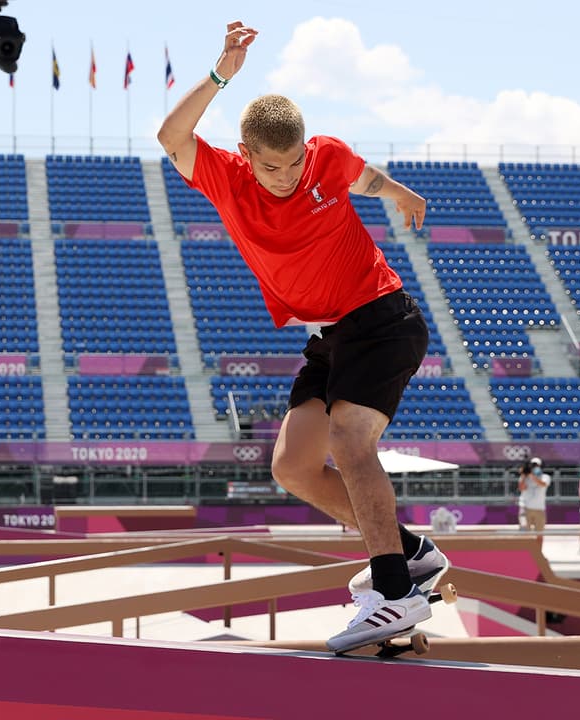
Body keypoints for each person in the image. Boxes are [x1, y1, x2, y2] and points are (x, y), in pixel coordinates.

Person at [157, 21, 447, 654]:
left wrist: (398, 191)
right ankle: (414, 554)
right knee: (292, 466)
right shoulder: (225, 177)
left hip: (381, 317)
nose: (285, 177)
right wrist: (221, 74)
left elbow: (361, 175)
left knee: (348, 437)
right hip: (327, 338)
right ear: (245, 152)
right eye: (271, 166)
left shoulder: (325, 157)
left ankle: (394, 594)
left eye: (291, 165)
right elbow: (170, 136)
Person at [518, 457, 551, 546]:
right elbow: (521, 488)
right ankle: (525, 554)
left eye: (536, 465)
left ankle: (538, 553)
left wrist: (532, 476)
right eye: (532, 465)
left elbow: (542, 484)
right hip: (525, 508)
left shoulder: (545, 477)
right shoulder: (525, 477)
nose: (534, 467)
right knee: (524, 533)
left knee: (540, 534)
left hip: (539, 509)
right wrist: (524, 475)